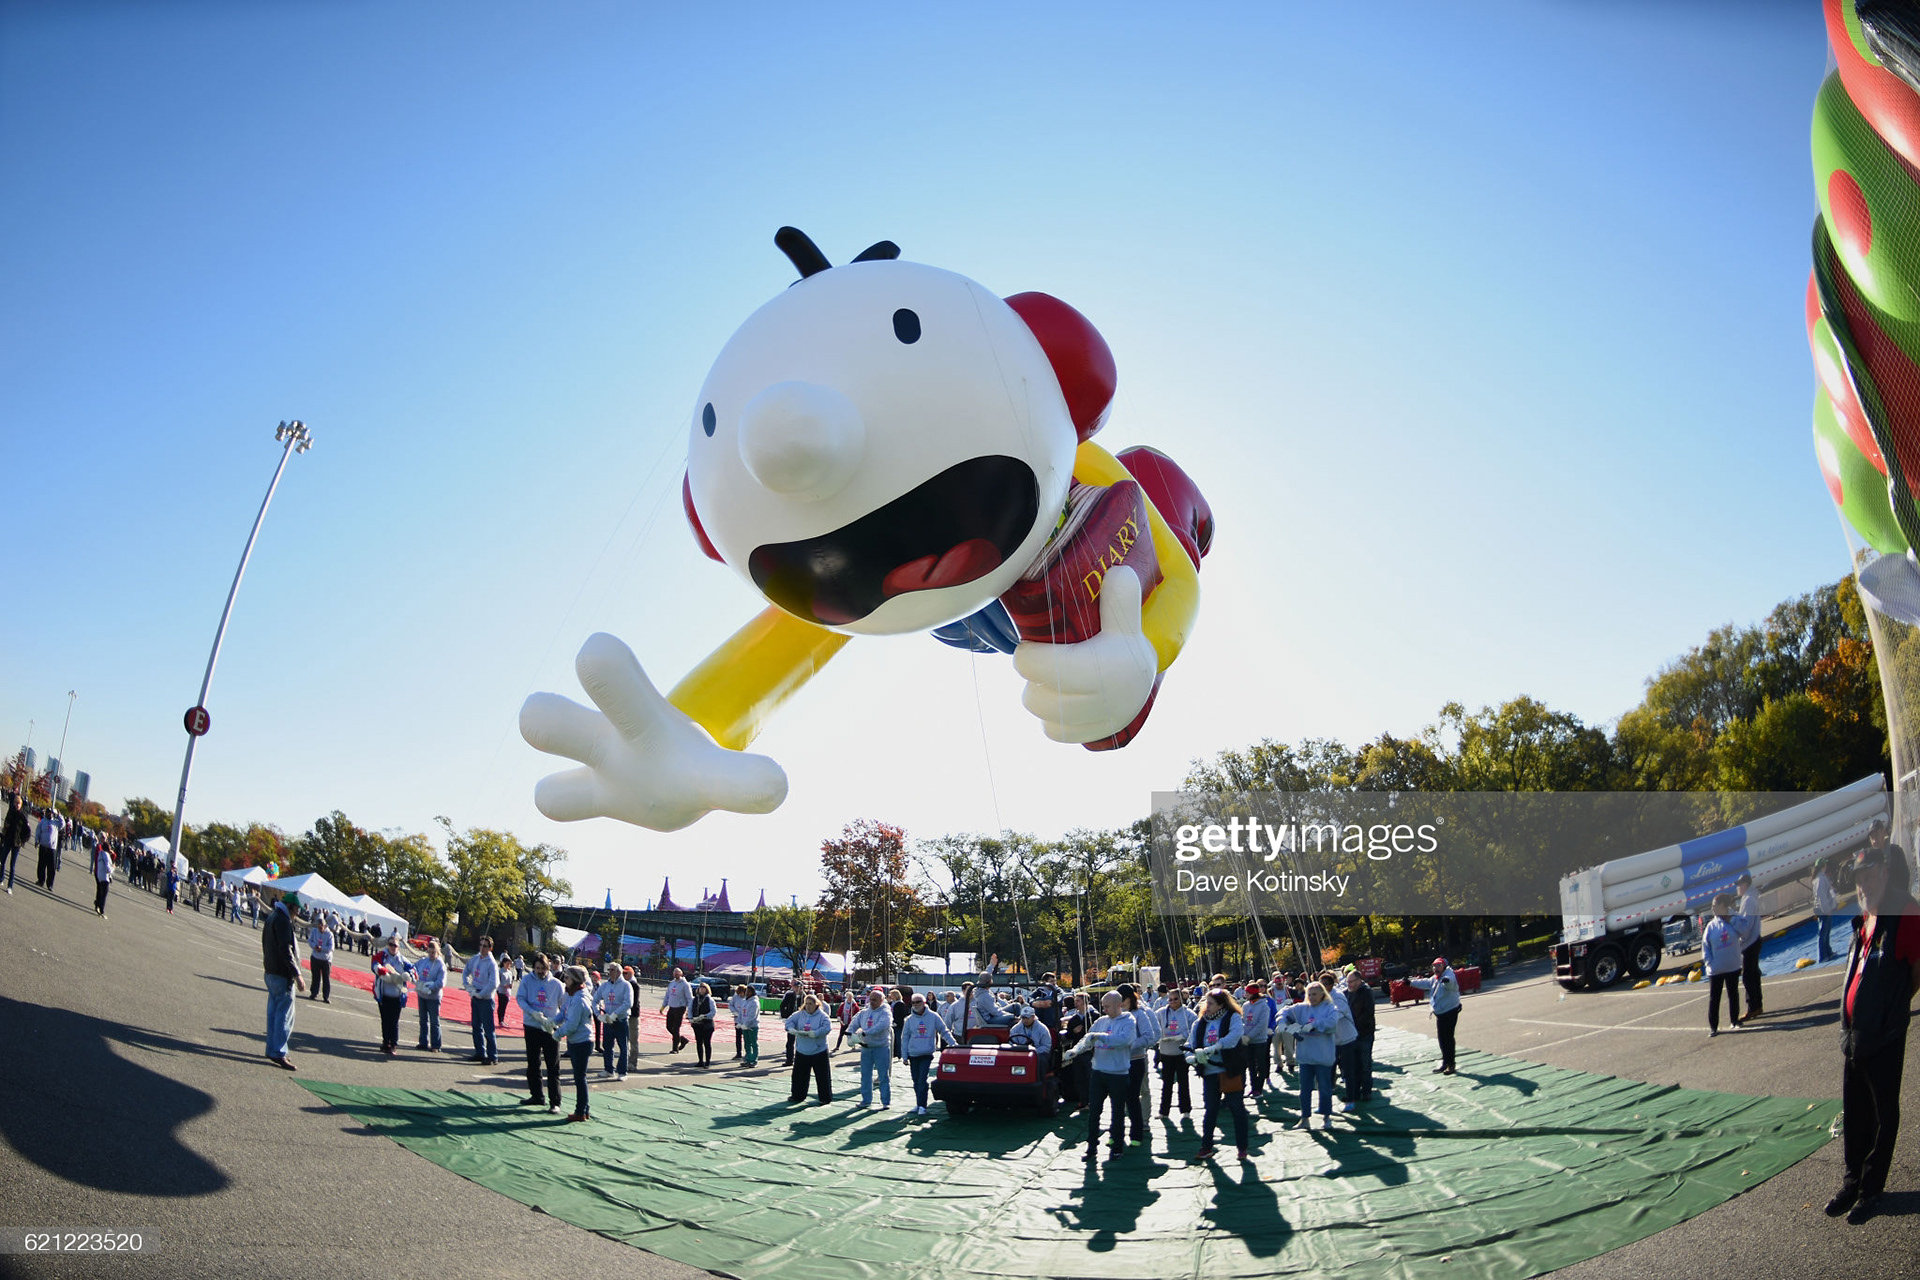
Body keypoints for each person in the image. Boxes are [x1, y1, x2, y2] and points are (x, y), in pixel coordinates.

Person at [1825, 839, 1920, 1224]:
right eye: (1858, 879)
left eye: (1868, 875)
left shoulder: (1905, 911)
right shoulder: (1863, 918)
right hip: (1854, 1038)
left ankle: (1871, 1189)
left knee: (1883, 1114)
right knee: (1856, 1113)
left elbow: (1917, 968)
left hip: (1883, 1034)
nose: (1862, 885)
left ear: (1884, 872)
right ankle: (1852, 1182)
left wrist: (1893, 1007)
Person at [1083, 990, 1147, 1162]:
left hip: (1118, 1074)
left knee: (1117, 1112)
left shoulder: (1129, 1020)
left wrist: (1100, 1038)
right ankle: (1091, 1147)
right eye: (1103, 1006)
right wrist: (1076, 1050)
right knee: (1094, 1111)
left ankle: (1117, 1147)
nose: (1104, 1010)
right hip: (1098, 1072)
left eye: (1107, 1006)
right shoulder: (1101, 1021)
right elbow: (1088, 1038)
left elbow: (1124, 1040)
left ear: (1119, 1005)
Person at [1188, 988, 1250, 1161]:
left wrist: (1216, 1046)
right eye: (1206, 1003)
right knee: (1210, 1110)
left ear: (1221, 1004)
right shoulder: (1200, 1022)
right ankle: (1206, 1147)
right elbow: (1191, 1042)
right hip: (1209, 1071)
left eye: (1211, 1003)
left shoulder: (1232, 1017)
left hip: (1229, 1071)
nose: (1206, 1006)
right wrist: (1191, 1055)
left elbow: (1234, 1036)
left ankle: (1242, 1147)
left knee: (1237, 1109)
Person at [1284, 981, 1339, 1129]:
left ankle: (1327, 1117)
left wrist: (1315, 1025)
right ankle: (1305, 1118)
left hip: (1323, 1056)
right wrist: (1282, 1023)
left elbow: (1332, 1022)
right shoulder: (1301, 1008)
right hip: (1305, 1056)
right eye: (1309, 994)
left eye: (1315, 994)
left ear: (1322, 994)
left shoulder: (1329, 1008)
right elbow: (1284, 1012)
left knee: (1325, 1087)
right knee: (1305, 1088)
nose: (1312, 997)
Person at [261, 892, 305, 1069]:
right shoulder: (282, 921)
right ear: (290, 907)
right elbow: (286, 950)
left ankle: (272, 1048)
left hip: (271, 970)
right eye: (296, 910)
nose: (297, 914)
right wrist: (297, 974)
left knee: (273, 1013)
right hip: (281, 973)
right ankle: (279, 1051)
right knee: (284, 1015)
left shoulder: (273, 917)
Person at [516, 954, 565, 1112]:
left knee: (553, 1065)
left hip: (550, 1028)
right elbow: (520, 998)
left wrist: (555, 1022)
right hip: (531, 1025)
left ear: (548, 967)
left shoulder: (557, 984)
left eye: (543, 968)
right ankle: (537, 1095)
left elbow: (564, 1007)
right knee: (533, 1062)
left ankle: (555, 1102)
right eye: (537, 968)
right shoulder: (527, 980)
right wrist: (532, 1012)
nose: (540, 971)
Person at [898, 992, 955, 1114]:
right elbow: (905, 1038)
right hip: (913, 1054)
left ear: (924, 1003)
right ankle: (919, 1104)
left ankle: (922, 1106)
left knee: (922, 1080)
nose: (915, 1005)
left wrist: (954, 1045)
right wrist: (904, 1055)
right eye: (913, 1003)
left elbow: (944, 1031)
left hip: (926, 1053)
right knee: (915, 1080)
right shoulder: (908, 1020)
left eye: (918, 1002)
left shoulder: (934, 1016)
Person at [1409, 956, 1462, 1074]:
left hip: (1450, 1011)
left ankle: (1451, 1064)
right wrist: (1410, 983)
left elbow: (1452, 983)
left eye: (1438, 966)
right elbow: (1425, 982)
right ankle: (1445, 1062)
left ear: (1444, 966)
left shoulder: (1449, 975)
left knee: (1448, 1038)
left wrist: (1446, 982)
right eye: (1434, 966)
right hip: (1441, 1013)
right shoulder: (1435, 978)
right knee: (1442, 1039)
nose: (1435, 968)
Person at [1702, 893, 1745, 1036]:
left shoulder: (1735, 919)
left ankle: (1735, 1020)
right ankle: (1713, 1027)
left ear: (1723, 906)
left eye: (1715, 905)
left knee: (1733, 994)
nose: (1712, 908)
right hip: (1716, 969)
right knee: (1715, 998)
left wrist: (1731, 919)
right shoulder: (1711, 926)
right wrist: (1710, 963)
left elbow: (1744, 931)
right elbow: (1705, 947)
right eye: (1712, 906)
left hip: (1732, 966)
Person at [849, 986, 895, 1108]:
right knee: (865, 1075)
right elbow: (854, 1022)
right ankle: (866, 1100)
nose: (872, 1002)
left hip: (881, 1047)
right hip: (866, 1048)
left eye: (875, 1000)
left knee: (883, 1075)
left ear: (881, 1001)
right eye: (871, 999)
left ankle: (885, 1101)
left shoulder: (886, 1012)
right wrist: (849, 1034)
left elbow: (882, 1025)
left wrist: (866, 1032)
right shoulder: (864, 1012)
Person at [786, 993, 834, 1103]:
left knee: (822, 1077)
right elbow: (789, 1022)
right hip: (802, 1050)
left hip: (818, 1050)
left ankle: (825, 1098)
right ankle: (797, 1096)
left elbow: (827, 1027)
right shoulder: (799, 1014)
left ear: (816, 1004)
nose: (808, 1006)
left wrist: (816, 1033)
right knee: (799, 1076)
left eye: (810, 1004)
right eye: (806, 1003)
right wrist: (791, 1029)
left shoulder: (822, 1016)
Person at [1156, 987, 1197, 1117]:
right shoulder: (1161, 1012)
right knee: (1166, 1083)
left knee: (1183, 1082)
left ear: (1181, 999)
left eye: (1175, 999)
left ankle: (1185, 1110)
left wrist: (1183, 1036)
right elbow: (1154, 1027)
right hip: (1166, 1052)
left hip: (1181, 1053)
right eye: (1170, 999)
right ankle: (1164, 1111)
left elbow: (1195, 1032)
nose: (1172, 1002)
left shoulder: (1189, 1014)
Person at [372, 937, 414, 1055]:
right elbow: (374, 964)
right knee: (385, 1020)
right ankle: (386, 1042)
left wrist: (407, 975)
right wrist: (382, 971)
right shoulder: (382, 955)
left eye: (395, 945)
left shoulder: (403, 960)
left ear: (398, 947)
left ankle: (394, 1044)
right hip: (383, 994)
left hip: (397, 996)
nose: (392, 947)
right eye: (391, 945)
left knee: (394, 1021)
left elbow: (413, 970)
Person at [462, 936, 500, 1064]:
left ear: (490, 948)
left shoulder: (491, 964)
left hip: (486, 999)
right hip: (475, 994)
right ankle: (479, 1052)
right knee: (476, 1026)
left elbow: (494, 983)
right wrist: (467, 986)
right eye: (481, 945)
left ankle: (492, 1056)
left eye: (485, 946)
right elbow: (466, 971)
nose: (482, 948)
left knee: (488, 1030)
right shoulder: (475, 959)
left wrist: (482, 994)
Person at [594, 963, 633, 1079]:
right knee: (607, 1046)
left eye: (612, 970)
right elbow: (595, 1000)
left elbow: (628, 1003)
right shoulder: (605, 986)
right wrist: (598, 1014)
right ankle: (608, 1069)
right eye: (609, 969)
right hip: (607, 1020)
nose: (609, 972)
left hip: (621, 1020)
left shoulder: (626, 985)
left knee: (623, 1046)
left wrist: (616, 1014)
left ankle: (622, 1072)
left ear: (619, 972)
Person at [1344, 970, 1377, 1104]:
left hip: (1364, 1033)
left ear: (1359, 980)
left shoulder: (1366, 992)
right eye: (1348, 982)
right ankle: (1355, 1092)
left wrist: (1354, 1025)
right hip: (1352, 1034)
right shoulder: (1346, 994)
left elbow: (1368, 1013)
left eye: (1351, 982)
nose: (1349, 984)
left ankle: (1367, 1091)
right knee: (1354, 1065)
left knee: (1365, 1063)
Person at [1735, 871, 1765, 1018]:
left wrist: (1739, 938)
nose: (1737, 888)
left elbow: (1745, 925)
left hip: (1750, 943)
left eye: (1738, 885)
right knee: (1753, 974)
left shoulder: (1748, 900)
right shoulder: (1751, 898)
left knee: (1748, 976)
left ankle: (1753, 1007)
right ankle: (1757, 1005)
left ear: (1745, 885)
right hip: (1754, 940)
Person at [1241, 980, 1274, 1096]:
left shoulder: (1263, 1006)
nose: (1246, 995)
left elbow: (1261, 1024)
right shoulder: (1245, 1005)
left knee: (1261, 1064)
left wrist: (1249, 1036)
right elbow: (1243, 1021)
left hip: (1260, 1040)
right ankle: (1253, 1086)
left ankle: (1259, 1087)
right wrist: (1243, 1035)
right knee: (1250, 1065)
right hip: (1247, 1041)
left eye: (1248, 993)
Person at [1813, 858, 1839, 964]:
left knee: (1826, 931)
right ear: (1823, 866)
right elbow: (1821, 897)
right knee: (1823, 932)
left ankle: (1828, 952)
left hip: (1824, 908)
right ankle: (1823, 955)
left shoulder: (1821, 877)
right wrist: (1826, 909)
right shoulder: (1820, 879)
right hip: (1823, 909)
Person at [0, 796, 28, 893]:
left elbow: (27, 831)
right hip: (8, 839)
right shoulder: (11, 812)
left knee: (12, 866)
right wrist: (5, 830)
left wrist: (22, 841)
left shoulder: (23, 816)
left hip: (16, 843)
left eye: (18, 803)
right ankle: (1, 878)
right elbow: (6, 823)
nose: (16, 805)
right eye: (15, 803)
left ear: (21, 805)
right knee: (2, 861)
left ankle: (10, 886)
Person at [662, 967, 692, 1053]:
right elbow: (667, 995)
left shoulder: (685, 985)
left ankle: (675, 1049)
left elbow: (690, 998)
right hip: (671, 1007)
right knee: (668, 1027)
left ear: (681, 974)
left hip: (680, 1008)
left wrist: (689, 1011)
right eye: (674, 973)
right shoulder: (671, 983)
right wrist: (663, 1006)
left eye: (677, 973)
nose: (676, 974)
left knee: (676, 1028)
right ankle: (682, 1039)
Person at [688, 981, 718, 1067]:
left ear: (707, 989)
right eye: (700, 987)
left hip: (707, 1025)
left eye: (703, 987)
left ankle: (707, 1061)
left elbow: (713, 1011)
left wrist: (705, 1016)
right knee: (699, 1043)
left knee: (707, 1043)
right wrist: (691, 1018)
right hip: (697, 1024)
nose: (701, 989)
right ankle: (700, 1061)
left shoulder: (709, 999)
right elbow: (690, 1009)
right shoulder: (694, 999)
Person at [731, 983, 761, 1067]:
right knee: (746, 1043)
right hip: (744, 1026)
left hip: (752, 1026)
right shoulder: (745, 1002)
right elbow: (741, 1013)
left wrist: (747, 1024)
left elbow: (752, 1015)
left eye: (748, 991)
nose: (746, 993)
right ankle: (747, 1059)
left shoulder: (754, 1002)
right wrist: (739, 1022)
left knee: (753, 1043)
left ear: (751, 992)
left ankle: (754, 1060)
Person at [33, 808, 61, 890]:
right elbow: (38, 831)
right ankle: (41, 880)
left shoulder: (55, 822)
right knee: (41, 864)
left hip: (52, 848)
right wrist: (36, 840)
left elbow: (63, 824)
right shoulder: (42, 821)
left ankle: (50, 884)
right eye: (48, 812)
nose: (49, 814)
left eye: (51, 813)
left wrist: (59, 815)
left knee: (51, 867)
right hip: (43, 846)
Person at [90, 837, 112, 918]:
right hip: (105, 876)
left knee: (100, 890)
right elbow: (107, 867)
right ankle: (101, 908)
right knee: (104, 893)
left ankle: (97, 903)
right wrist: (112, 869)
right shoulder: (106, 855)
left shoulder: (100, 853)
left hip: (99, 874)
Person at [779, 985, 801, 1065]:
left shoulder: (805, 997)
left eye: (800, 987)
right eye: (797, 987)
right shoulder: (790, 995)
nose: (798, 989)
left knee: (801, 1041)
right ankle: (789, 1059)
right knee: (790, 1042)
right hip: (792, 1020)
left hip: (802, 1021)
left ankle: (800, 1059)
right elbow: (782, 1005)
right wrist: (784, 1016)